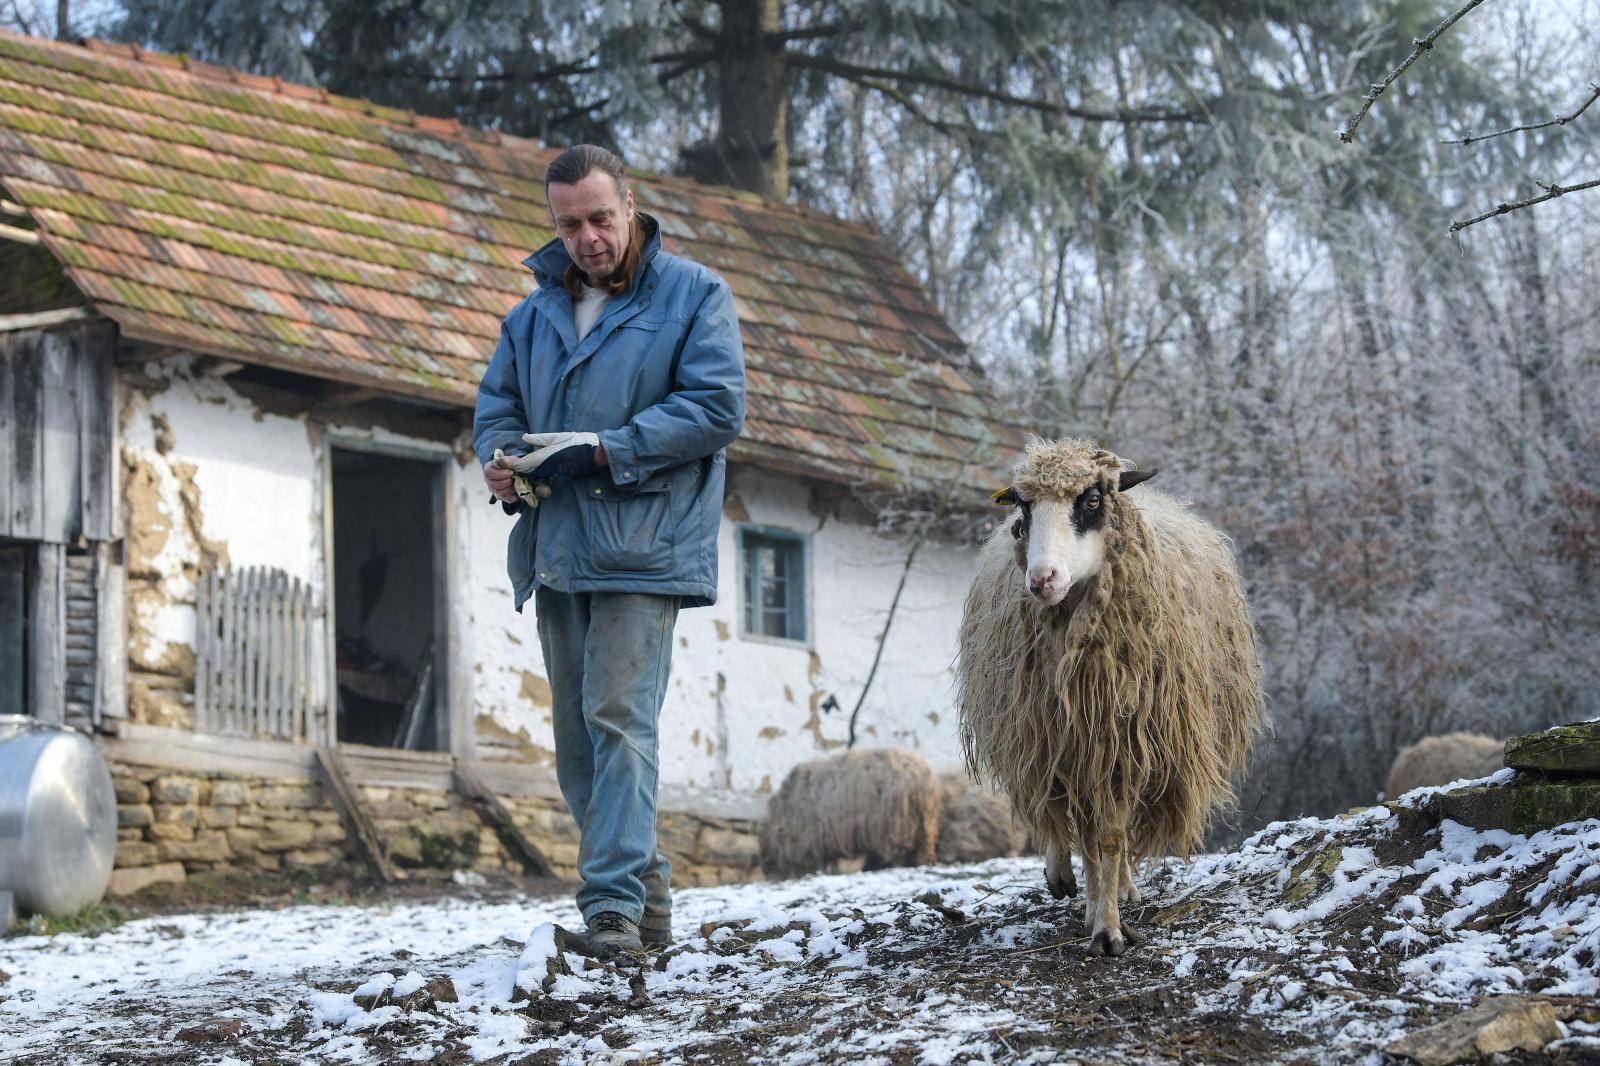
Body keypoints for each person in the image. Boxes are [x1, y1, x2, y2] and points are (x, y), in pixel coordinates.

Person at [473, 144, 746, 955]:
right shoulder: (528, 318)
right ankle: (648, 906)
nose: (586, 237)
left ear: (630, 206)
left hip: (646, 545)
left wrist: (604, 449)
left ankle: (612, 912)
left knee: (620, 723)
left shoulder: (697, 295)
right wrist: (500, 462)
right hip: (557, 546)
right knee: (577, 743)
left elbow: (716, 407)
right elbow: (496, 407)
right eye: (568, 223)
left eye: (599, 218)